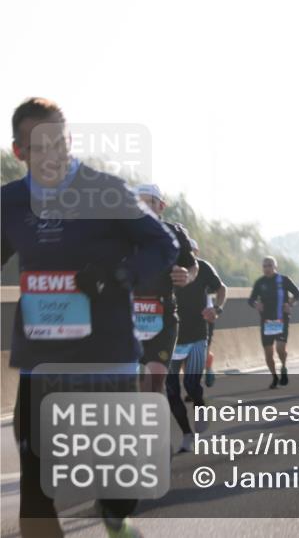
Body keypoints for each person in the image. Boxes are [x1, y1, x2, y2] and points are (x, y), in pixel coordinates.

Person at [2, 97, 179, 538]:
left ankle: (117, 515)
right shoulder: (9, 202)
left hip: (107, 353)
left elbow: (162, 246)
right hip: (42, 357)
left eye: (59, 143)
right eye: (39, 147)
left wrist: (120, 274)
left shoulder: (106, 190)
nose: (53, 155)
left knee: (117, 490)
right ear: (19, 151)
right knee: (37, 483)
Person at [133, 184, 199, 393]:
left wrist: (187, 275)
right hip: (128, 313)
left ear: (161, 206)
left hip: (163, 313)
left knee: (155, 377)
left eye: (149, 202)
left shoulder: (174, 233)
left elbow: (192, 265)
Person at [169, 238, 226, 452]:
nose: (188, 257)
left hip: (196, 336)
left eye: (191, 252)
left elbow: (222, 290)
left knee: (192, 386)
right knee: (171, 391)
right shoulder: (166, 267)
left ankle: (201, 407)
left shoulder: (204, 269)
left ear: (196, 252)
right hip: (170, 338)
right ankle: (186, 433)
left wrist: (217, 309)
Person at [248, 256, 299, 389]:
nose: (267, 268)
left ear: (275, 266)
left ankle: (283, 366)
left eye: (270, 265)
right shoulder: (260, 282)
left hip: (281, 319)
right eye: (265, 266)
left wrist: (291, 304)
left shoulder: (283, 280)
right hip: (266, 322)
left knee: (280, 349)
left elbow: (297, 293)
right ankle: (274, 377)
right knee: (268, 353)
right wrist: (256, 304)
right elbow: (251, 300)